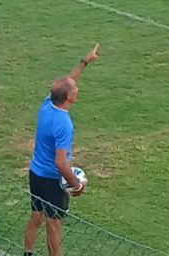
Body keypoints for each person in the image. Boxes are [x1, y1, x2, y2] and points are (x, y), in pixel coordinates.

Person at [22, 43, 100, 256]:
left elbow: (69, 81)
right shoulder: (64, 124)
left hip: (35, 173)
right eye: (75, 90)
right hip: (50, 179)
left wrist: (85, 61)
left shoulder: (48, 104)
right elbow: (61, 163)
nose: (77, 88)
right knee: (54, 225)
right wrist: (76, 185)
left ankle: (27, 252)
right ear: (69, 98)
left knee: (36, 216)